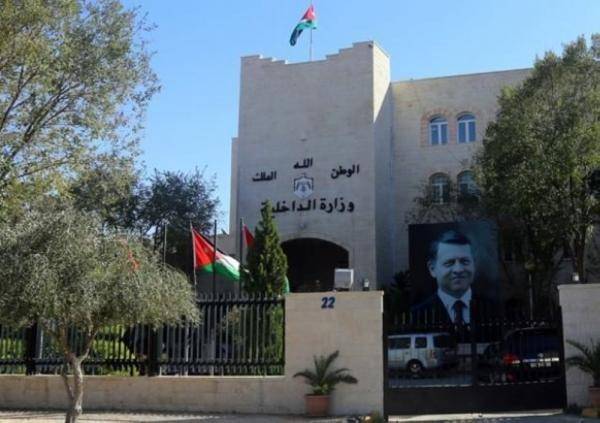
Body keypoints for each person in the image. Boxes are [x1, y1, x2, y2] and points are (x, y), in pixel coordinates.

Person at [411, 230, 483, 325]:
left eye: (465, 261)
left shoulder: (494, 307)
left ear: (474, 265)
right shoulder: (417, 315)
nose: (458, 270)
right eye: (449, 263)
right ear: (432, 269)